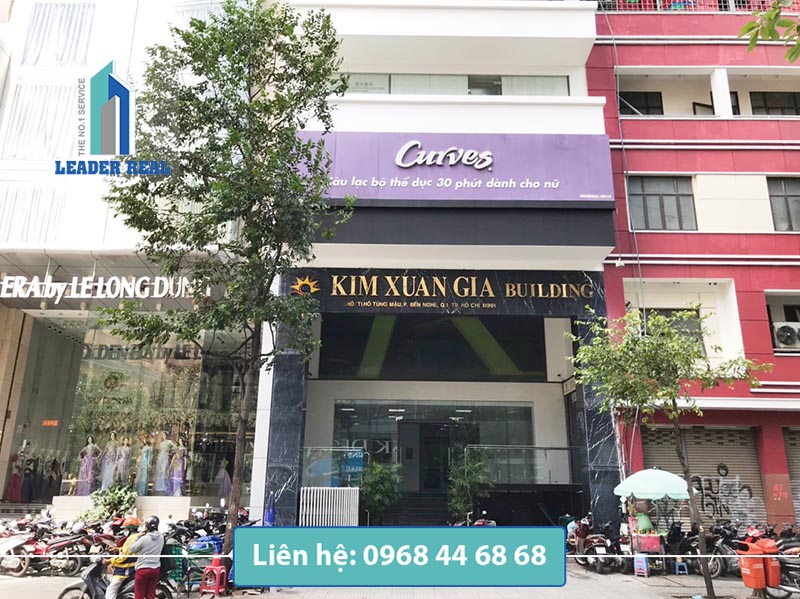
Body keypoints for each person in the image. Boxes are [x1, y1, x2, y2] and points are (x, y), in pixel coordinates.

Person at [105, 516, 140, 599]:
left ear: (130, 529)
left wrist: (110, 561)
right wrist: (118, 549)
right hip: (133, 565)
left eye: (126, 529)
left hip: (127, 568)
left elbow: (123, 557)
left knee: (111, 589)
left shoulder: (131, 539)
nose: (124, 531)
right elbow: (129, 550)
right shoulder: (137, 536)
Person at [130, 516, 163, 599]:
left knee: (139, 595)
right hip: (155, 569)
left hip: (143, 569)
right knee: (151, 595)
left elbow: (132, 549)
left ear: (146, 527)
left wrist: (138, 537)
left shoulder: (144, 539)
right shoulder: (161, 537)